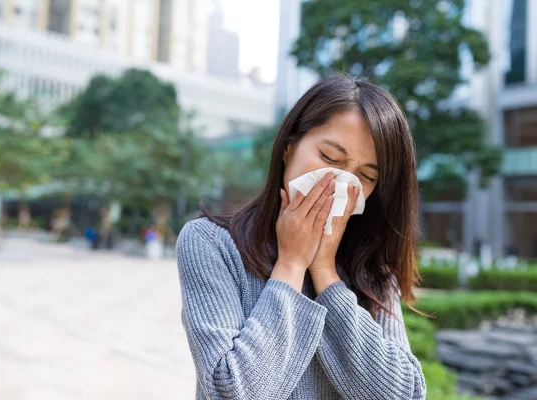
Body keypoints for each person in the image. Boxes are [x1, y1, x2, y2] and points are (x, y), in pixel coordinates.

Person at [176, 74, 427, 399]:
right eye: (330, 158)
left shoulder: (372, 268)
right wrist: (292, 264)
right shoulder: (211, 244)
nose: (340, 182)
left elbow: (405, 394)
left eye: (364, 176)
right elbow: (231, 393)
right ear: (289, 147)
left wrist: (325, 272)